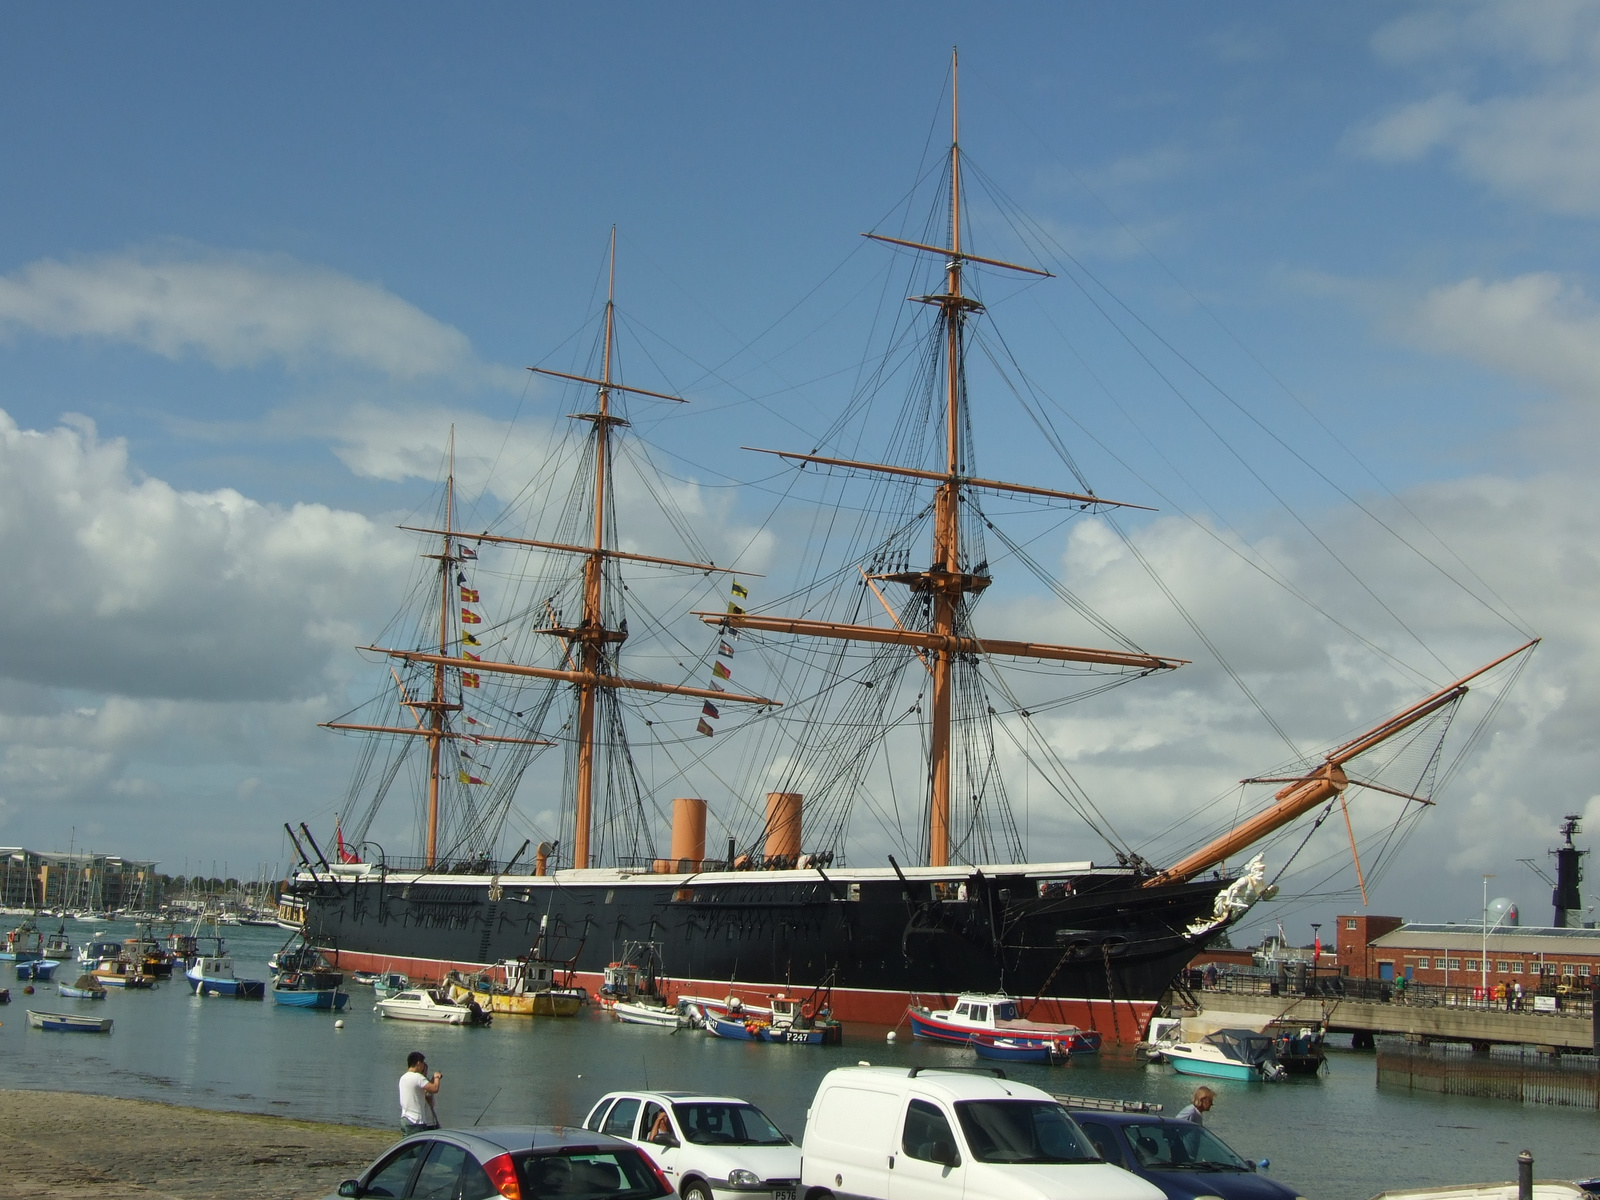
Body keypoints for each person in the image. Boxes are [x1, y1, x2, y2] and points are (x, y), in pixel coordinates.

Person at [399, 1050, 442, 1136]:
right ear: (418, 1063)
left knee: (407, 1147)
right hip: (416, 1121)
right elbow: (435, 1088)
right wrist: (437, 1077)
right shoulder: (418, 1077)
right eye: (422, 1063)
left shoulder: (403, 1078)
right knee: (420, 1149)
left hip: (405, 1119)